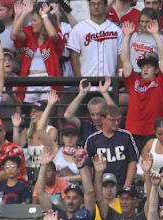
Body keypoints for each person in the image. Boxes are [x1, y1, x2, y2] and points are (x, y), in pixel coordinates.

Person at [10, 2, 64, 103]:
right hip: (29, 80)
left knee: (46, 112)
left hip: (48, 80)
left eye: (34, 20)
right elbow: (14, 34)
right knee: (31, 113)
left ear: (43, 21)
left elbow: (53, 36)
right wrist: (24, 13)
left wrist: (44, 15)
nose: (32, 23)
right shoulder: (30, 32)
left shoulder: (55, 31)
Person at [121, 20, 163, 150]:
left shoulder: (160, 82)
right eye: (143, 66)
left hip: (153, 133)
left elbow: (162, 59)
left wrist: (155, 34)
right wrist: (127, 36)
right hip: (132, 132)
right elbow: (126, 60)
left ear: (156, 70)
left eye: (149, 66)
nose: (145, 69)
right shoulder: (134, 81)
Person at [83, 105, 139, 190]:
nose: (116, 123)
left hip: (122, 186)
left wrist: (127, 187)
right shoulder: (92, 139)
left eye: (118, 120)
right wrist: (91, 186)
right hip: (101, 188)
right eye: (112, 120)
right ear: (102, 119)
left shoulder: (126, 136)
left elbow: (132, 161)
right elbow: (86, 164)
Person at [67, 0, 122, 78]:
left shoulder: (116, 30)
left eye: (99, 3)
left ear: (106, 6)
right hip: (87, 84)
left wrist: (118, 80)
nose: (96, 6)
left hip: (111, 84)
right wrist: (79, 81)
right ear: (89, 6)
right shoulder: (78, 29)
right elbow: (74, 57)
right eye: (93, 4)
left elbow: (120, 57)